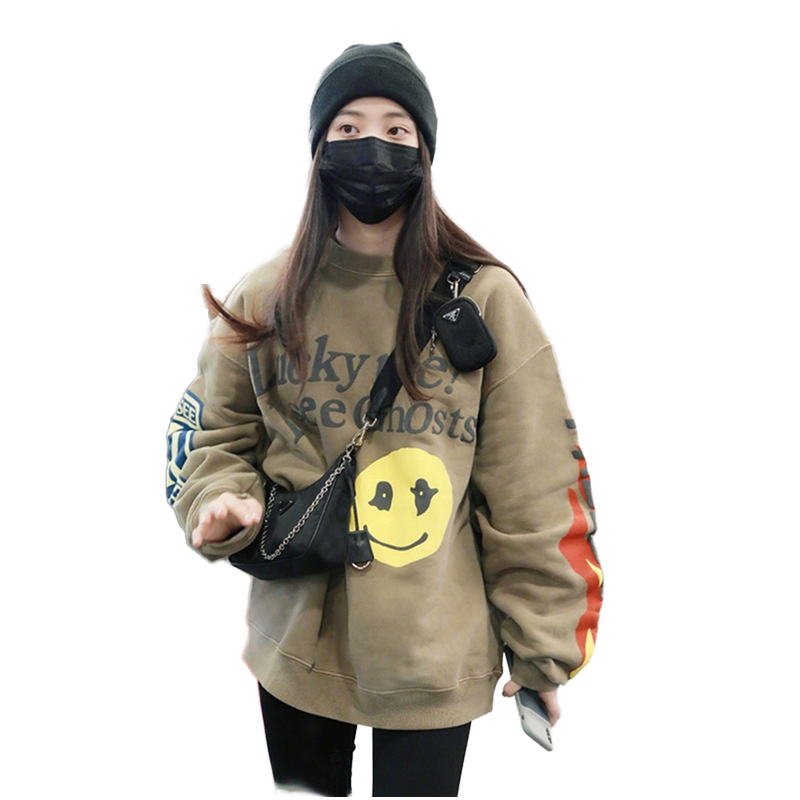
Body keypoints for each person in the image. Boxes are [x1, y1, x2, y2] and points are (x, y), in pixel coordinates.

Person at [166, 42, 602, 797]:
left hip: (433, 655)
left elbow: (534, 487)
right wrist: (221, 498)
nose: (373, 146)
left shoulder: (486, 302)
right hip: (297, 646)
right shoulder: (266, 297)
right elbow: (212, 434)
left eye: (397, 130)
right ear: (319, 151)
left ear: (424, 151)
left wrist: (543, 650)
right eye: (349, 128)